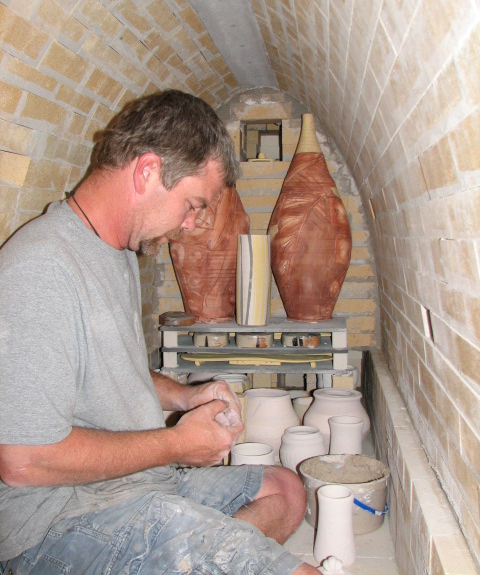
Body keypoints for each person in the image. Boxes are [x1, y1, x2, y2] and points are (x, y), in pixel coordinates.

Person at [0, 90, 321, 574]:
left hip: (139, 484)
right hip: (61, 523)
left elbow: (113, 373)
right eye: (191, 205)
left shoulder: (117, 253)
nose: (190, 225)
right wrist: (175, 445)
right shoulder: (40, 270)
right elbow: (23, 460)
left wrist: (187, 397)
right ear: (147, 171)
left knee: (286, 490)